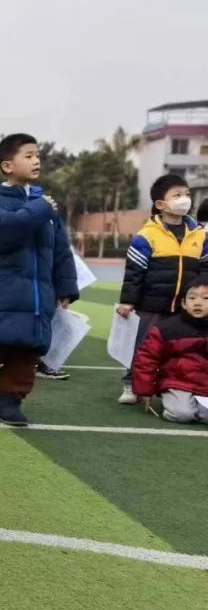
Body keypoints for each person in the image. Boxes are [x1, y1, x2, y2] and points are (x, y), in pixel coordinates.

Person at [0, 134, 79, 426]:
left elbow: (60, 249)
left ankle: (10, 400)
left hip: (37, 297)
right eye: (28, 155)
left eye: (37, 155)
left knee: (25, 356)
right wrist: (39, 210)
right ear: (8, 165)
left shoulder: (44, 204)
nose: (36, 160)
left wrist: (65, 287)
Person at [116, 174, 207, 404]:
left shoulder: (199, 235)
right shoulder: (146, 236)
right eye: (177, 195)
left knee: (179, 346)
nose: (185, 199)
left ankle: (172, 384)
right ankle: (130, 383)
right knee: (142, 345)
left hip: (184, 306)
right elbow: (134, 272)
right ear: (160, 204)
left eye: (187, 194)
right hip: (151, 304)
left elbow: (205, 269)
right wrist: (128, 301)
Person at [130, 275, 208, 423]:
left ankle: (196, 408)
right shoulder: (166, 328)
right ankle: (179, 407)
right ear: (184, 304)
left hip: (205, 384)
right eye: (192, 298)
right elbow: (146, 359)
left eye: (206, 298)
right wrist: (144, 391)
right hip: (177, 382)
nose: (198, 303)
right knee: (182, 414)